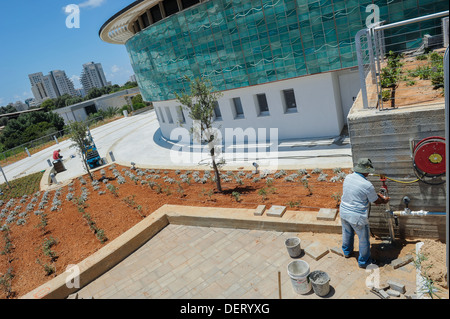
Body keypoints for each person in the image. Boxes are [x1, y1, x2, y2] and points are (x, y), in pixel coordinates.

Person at [339, 158, 389, 269]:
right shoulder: (367, 185)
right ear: (366, 171)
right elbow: (375, 201)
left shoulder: (348, 177)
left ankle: (347, 252)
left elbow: (358, 192)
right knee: (363, 239)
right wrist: (384, 200)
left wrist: (375, 196)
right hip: (357, 217)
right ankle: (364, 262)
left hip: (343, 211)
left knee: (347, 233)